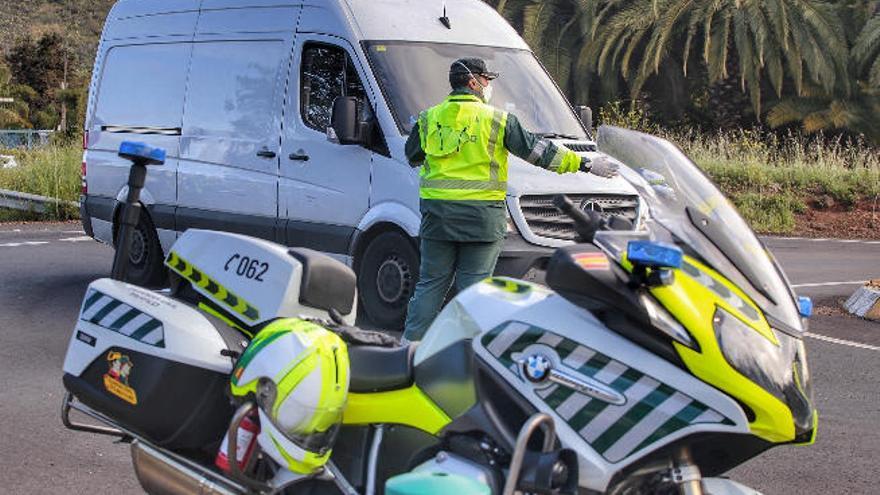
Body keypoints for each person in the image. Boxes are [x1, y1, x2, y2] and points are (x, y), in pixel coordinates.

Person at [402, 58, 618, 341]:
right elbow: (540, 152)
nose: (489, 86)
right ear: (473, 82)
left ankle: (409, 345)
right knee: (474, 288)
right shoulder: (498, 120)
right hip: (481, 218)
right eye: (487, 80)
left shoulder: (429, 118)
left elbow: (411, 155)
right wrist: (585, 164)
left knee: (430, 283)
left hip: (438, 217)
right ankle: (464, 350)